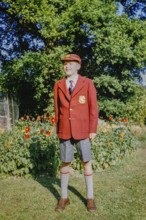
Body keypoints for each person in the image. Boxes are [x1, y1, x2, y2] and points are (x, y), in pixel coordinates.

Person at [53, 54, 98, 212]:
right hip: (65, 129)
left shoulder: (87, 83)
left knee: (86, 161)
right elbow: (57, 110)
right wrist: (58, 128)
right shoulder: (58, 85)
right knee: (65, 162)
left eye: (71, 64)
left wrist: (92, 129)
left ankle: (90, 198)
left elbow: (93, 108)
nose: (67, 66)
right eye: (65, 64)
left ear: (78, 66)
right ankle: (64, 197)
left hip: (83, 130)